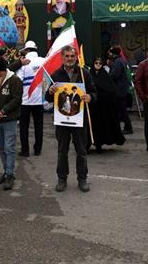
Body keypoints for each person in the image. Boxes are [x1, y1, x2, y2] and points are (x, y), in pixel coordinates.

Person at [45, 45, 97, 193]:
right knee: (62, 151)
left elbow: (94, 92)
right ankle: (62, 178)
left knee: (81, 151)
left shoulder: (84, 74)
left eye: (72, 56)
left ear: (76, 57)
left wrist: (90, 97)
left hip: (80, 120)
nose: (69, 59)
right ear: (62, 58)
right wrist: (50, 91)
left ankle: (82, 178)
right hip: (62, 121)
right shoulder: (55, 75)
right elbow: (47, 98)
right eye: (67, 56)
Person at [0, 56, 23, 191]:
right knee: (1, 148)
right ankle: (6, 171)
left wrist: (2, 110)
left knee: (9, 148)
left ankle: (10, 175)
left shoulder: (15, 80)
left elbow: (17, 99)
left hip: (10, 120)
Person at [16, 40, 46, 157]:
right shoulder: (44, 61)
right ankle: (38, 149)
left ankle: (25, 150)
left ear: (27, 50)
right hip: (40, 100)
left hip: (26, 100)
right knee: (39, 126)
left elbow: (19, 81)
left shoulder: (24, 63)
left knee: (24, 127)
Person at [89, 57, 125, 153]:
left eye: (100, 63)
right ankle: (87, 145)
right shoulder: (89, 75)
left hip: (103, 108)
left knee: (101, 127)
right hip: (91, 108)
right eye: (96, 63)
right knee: (89, 127)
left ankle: (99, 145)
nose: (98, 65)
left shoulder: (105, 75)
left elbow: (111, 89)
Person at [109, 46, 132, 134]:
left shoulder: (117, 62)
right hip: (122, 89)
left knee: (122, 109)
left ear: (113, 53)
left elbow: (114, 75)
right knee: (120, 109)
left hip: (119, 90)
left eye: (110, 52)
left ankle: (128, 127)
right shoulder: (122, 60)